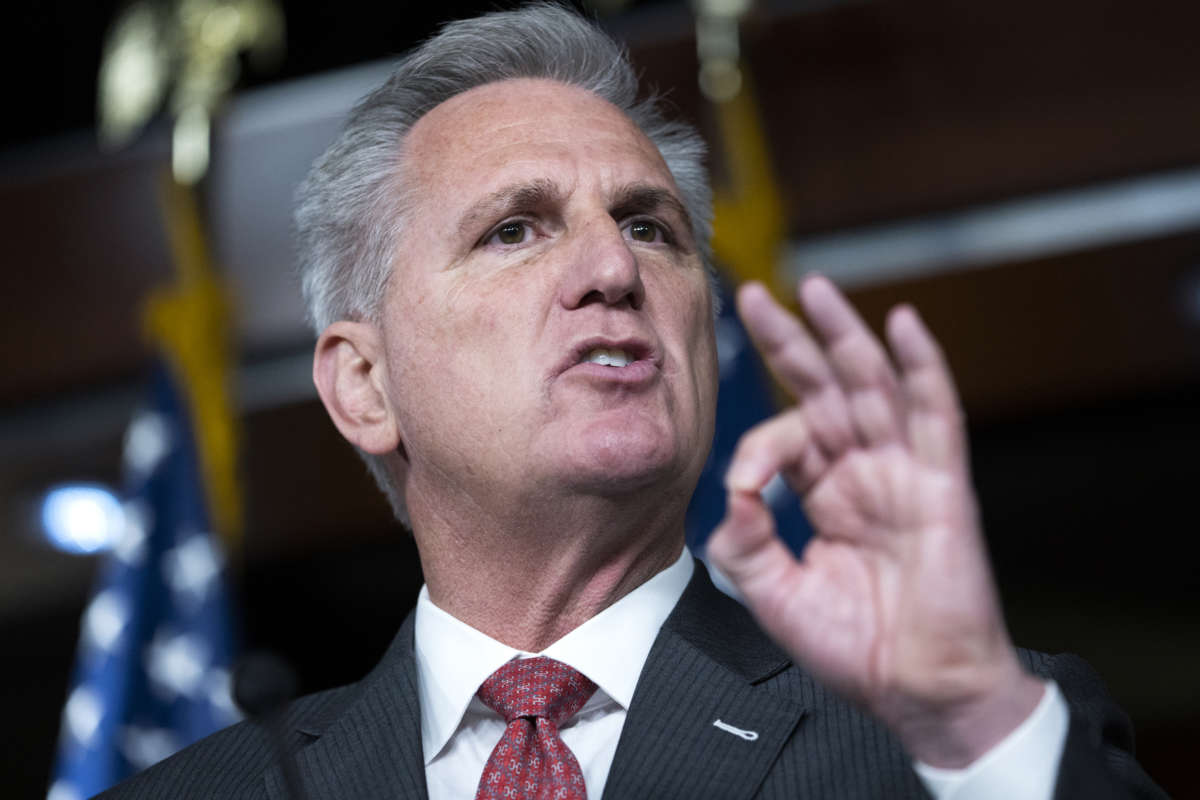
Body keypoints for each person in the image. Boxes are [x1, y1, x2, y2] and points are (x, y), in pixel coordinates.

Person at [101, 4, 1165, 798]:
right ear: (364, 384)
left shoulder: (951, 734)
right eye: (514, 228)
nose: (613, 266)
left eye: (651, 227)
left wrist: (973, 727)